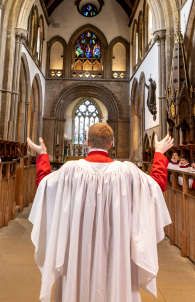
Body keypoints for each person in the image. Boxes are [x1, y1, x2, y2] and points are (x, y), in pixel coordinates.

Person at [27, 123, 173, 302]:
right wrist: (159, 153)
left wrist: (42, 155)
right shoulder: (128, 172)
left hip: (78, 247)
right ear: (111, 144)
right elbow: (157, 185)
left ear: (88, 141)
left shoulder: (70, 170)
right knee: (116, 277)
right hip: (116, 247)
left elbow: (44, 184)